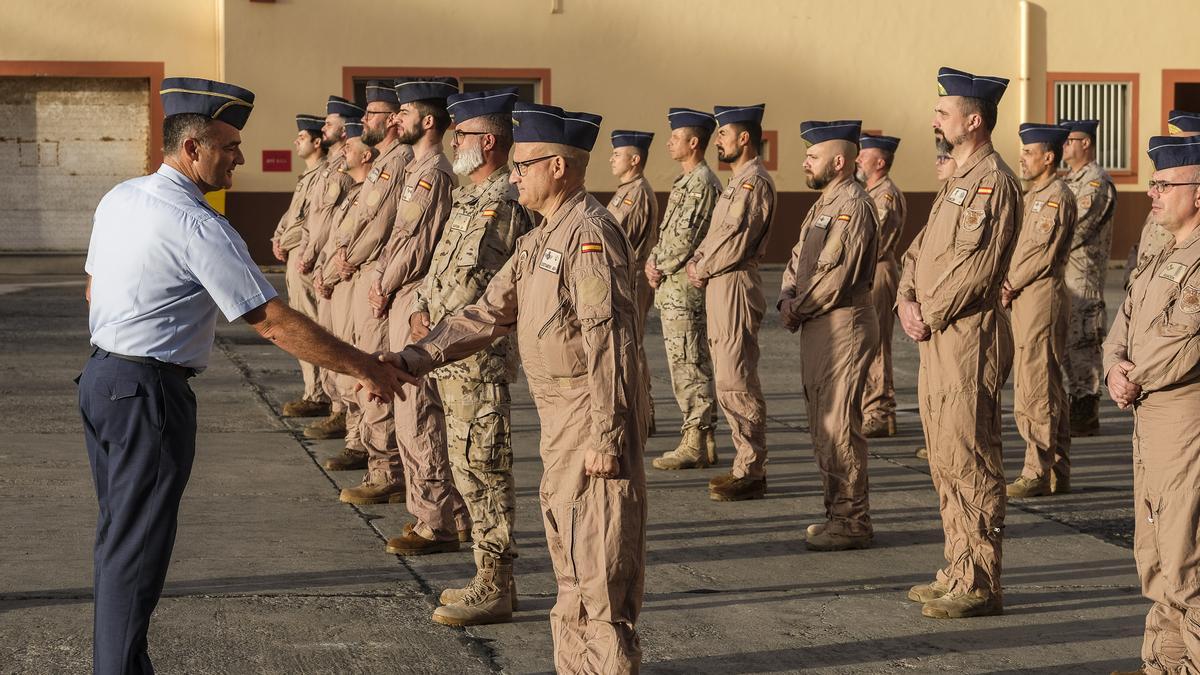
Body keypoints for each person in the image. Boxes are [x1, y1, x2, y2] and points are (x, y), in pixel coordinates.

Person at [79, 78, 412, 674]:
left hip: (103, 382)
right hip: (149, 397)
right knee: (135, 553)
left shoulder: (120, 198)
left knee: (119, 543)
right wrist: (365, 367)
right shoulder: (198, 224)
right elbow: (271, 322)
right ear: (192, 150)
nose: (240, 157)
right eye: (229, 146)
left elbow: (92, 289)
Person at [387, 101, 647, 673]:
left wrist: (607, 434)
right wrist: (411, 357)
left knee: (598, 561)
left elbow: (611, 343)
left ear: (559, 167)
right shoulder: (542, 238)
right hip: (559, 419)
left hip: (589, 415)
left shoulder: (589, 235)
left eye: (525, 164)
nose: (515, 174)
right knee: (568, 554)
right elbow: (484, 313)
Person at [897, 67, 1020, 619]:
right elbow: (918, 252)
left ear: (974, 120)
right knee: (945, 457)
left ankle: (980, 579)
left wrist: (930, 310)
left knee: (971, 457)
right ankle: (956, 565)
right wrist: (905, 298)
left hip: (968, 338)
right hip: (935, 336)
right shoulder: (955, 183)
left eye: (943, 112)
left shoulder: (996, 183)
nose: (935, 119)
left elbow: (980, 268)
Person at [410, 86, 533, 626]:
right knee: (465, 467)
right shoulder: (469, 199)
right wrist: (419, 310)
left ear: (486, 142)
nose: (451, 140)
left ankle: (496, 583)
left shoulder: (506, 203)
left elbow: (484, 290)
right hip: (445, 353)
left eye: (460, 133)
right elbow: (440, 272)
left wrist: (434, 330)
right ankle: (485, 573)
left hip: (477, 359)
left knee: (485, 468)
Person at [1104, 135, 1200, 674]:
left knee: (1187, 555)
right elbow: (1125, 323)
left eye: (1165, 184)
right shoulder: (1162, 251)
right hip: (1147, 412)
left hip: (1184, 413)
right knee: (1156, 552)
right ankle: (1164, 664)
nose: (1153, 194)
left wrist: (1132, 376)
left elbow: (1184, 342)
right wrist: (1115, 366)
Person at [369, 77, 472, 553]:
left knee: (419, 412)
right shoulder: (416, 168)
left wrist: (386, 284)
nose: (396, 118)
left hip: (414, 297)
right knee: (409, 411)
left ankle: (438, 521)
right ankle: (437, 512)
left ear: (428, 121)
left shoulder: (434, 173)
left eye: (405, 111)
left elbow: (417, 245)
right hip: (401, 293)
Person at [779, 120, 879, 551]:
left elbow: (835, 277)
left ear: (838, 161)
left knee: (838, 425)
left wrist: (796, 307)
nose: (805, 161)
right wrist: (786, 295)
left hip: (843, 324)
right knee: (823, 422)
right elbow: (799, 258)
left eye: (813, 155)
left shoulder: (852, 205)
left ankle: (853, 521)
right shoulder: (825, 202)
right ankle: (837, 513)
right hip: (820, 322)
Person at [686, 103, 776, 502]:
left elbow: (736, 239)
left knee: (736, 378)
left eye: (723, 134)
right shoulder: (738, 182)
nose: (717, 141)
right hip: (720, 282)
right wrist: (699, 261)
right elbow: (715, 234)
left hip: (735, 282)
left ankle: (752, 469)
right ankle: (744, 464)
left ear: (744, 138)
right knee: (726, 377)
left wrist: (702, 266)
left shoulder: (754, 182)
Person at [334, 81, 415, 505]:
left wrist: (348, 259)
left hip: (378, 275)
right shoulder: (385, 161)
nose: (364, 120)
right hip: (366, 271)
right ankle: (378, 462)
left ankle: (386, 472)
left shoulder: (400, 161)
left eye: (373, 114)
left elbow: (383, 225)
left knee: (374, 370)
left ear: (392, 120)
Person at [1002, 123, 1077, 499]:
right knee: (1045, 382)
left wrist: (1008, 283)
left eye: (1029, 153)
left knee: (1036, 385)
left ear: (1048, 157)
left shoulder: (1055, 196)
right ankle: (1056, 469)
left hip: (1039, 293)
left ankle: (1037, 469)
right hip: (1027, 295)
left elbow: (1039, 252)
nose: (1022, 158)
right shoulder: (1036, 194)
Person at [647, 108, 721, 470]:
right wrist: (654, 261)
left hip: (683, 291)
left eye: (675, 137)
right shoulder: (687, 181)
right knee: (683, 363)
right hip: (673, 289)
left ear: (693, 142)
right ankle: (700, 438)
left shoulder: (702, 182)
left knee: (690, 362)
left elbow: (685, 238)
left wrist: (656, 264)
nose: (669, 143)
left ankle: (697, 437)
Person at [298, 96, 363, 456]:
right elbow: (314, 217)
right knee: (322, 334)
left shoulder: (351, 168)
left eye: (330, 122)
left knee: (342, 344)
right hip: (320, 263)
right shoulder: (332, 167)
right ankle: (335, 406)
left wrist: (323, 261)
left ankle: (345, 417)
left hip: (338, 269)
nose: (323, 129)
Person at [271, 113, 331, 419]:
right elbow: (292, 216)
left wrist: (287, 239)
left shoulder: (325, 175)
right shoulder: (307, 176)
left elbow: (312, 222)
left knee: (310, 325)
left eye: (302, 138)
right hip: (295, 255)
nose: (296, 141)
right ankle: (314, 390)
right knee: (302, 320)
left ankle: (319, 393)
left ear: (318, 142)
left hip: (307, 257)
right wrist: (277, 237)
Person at [1058, 118, 1117, 436]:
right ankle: (1076, 402)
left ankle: (1086, 410)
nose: (1064, 145)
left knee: (1082, 344)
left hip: (1083, 277)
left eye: (1070, 140)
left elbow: (1072, 229)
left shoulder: (1096, 182)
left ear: (1086, 143)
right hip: (1065, 276)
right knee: (1068, 344)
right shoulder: (1070, 179)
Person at [607, 129, 659, 436]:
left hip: (633, 277)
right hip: (626, 276)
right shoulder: (626, 189)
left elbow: (617, 236)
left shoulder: (635, 193)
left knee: (632, 346)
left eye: (618, 154)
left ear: (635, 159)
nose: (612, 159)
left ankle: (641, 414)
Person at [856, 133, 907, 438]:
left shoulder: (884, 194)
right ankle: (871, 407)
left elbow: (871, 241)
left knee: (876, 344)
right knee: (865, 342)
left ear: (881, 162)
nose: (859, 159)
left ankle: (880, 411)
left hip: (878, 272)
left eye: (865, 155)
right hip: (868, 273)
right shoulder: (870, 191)